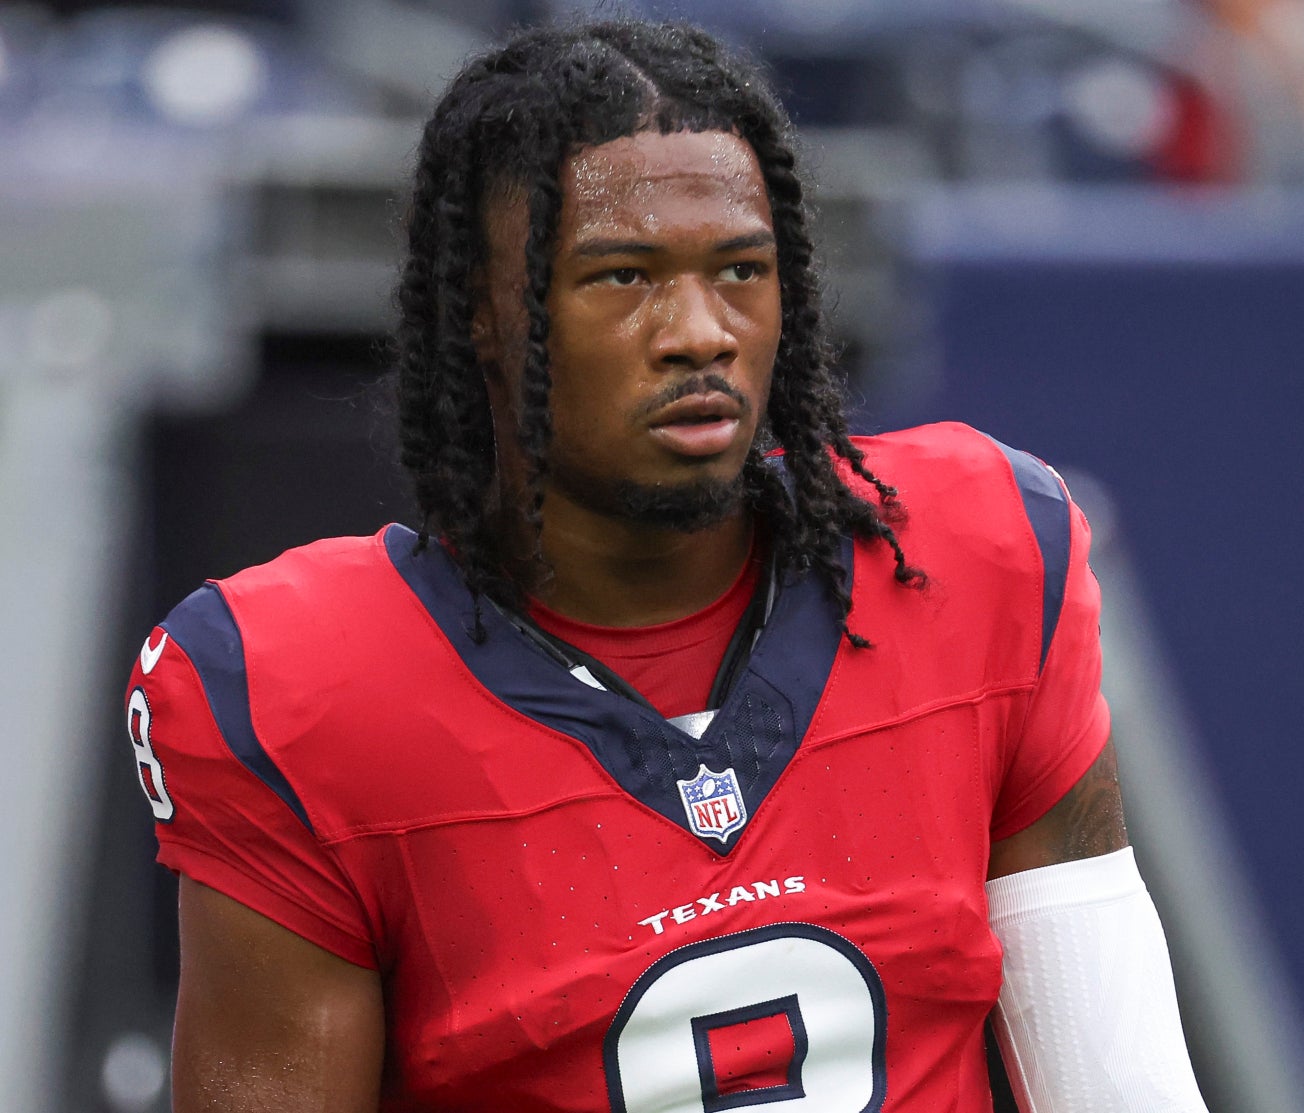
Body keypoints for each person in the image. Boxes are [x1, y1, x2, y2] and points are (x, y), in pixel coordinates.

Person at [123, 18, 1209, 1113]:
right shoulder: (297, 686)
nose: (699, 331)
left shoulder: (974, 552)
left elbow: (1113, 1081)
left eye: (741, 267)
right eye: (621, 276)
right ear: (481, 318)